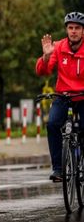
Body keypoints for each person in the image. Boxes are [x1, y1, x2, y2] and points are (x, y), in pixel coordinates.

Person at [36, 11, 84, 182]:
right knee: (52, 124)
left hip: (83, 97)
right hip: (63, 96)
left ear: (83, 31)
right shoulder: (58, 47)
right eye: (70, 28)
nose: (73, 31)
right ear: (66, 30)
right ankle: (58, 169)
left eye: (77, 28)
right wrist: (46, 56)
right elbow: (43, 71)